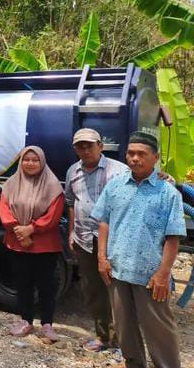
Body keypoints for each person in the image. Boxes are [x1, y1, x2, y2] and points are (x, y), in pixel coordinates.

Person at [91, 131, 185, 368]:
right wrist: (102, 258)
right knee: (125, 331)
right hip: (118, 270)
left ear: (155, 157)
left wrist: (163, 274)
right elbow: (104, 221)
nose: (135, 158)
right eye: (131, 153)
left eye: (141, 154)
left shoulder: (167, 193)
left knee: (159, 333)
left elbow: (173, 237)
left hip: (150, 276)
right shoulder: (115, 186)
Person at [64, 128, 127, 352]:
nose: (85, 150)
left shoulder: (119, 171)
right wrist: (72, 231)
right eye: (80, 146)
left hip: (113, 242)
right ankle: (103, 337)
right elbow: (71, 202)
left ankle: (124, 344)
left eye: (89, 145)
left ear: (100, 146)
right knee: (93, 291)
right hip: (83, 239)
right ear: (75, 149)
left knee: (118, 293)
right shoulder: (73, 171)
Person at [0, 146, 64, 342]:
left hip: (45, 245)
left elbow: (54, 214)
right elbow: (4, 210)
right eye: (26, 159)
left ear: (42, 162)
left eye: (35, 160)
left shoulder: (53, 185)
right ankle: (26, 320)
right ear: (21, 162)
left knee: (47, 286)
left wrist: (31, 230)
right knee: (23, 284)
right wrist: (19, 230)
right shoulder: (11, 183)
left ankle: (47, 325)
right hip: (17, 242)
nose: (30, 163)